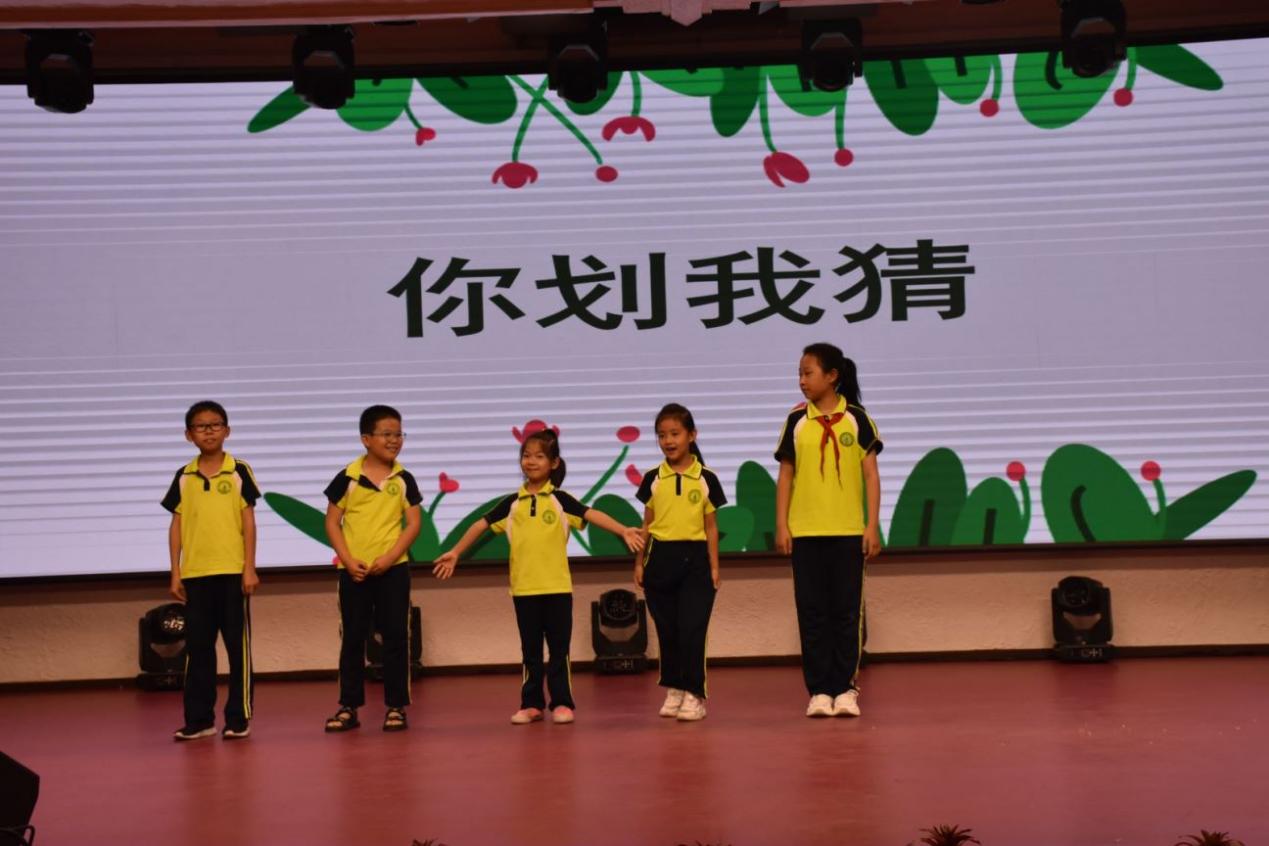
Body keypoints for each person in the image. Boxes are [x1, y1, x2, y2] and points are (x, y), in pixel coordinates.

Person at [433, 428, 644, 725]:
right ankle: (531, 704)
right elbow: (480, 525)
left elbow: (590, 514)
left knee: (559, 651)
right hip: (524, 590)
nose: (531, 461)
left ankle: (562, 703)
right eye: (526, 456)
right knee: (530, 652)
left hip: (557, 588)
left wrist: (623, 530)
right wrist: (455, 552)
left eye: (539, 456)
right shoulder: (511, 503)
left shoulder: (560, 500)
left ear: (553, 463)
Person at [774, 343, 883, 718]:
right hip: (805, 533)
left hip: (848, 532)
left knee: (846, 613)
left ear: (832, 376)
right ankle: (819, 690)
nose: (802, 381)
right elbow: (785, 475)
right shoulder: (795, 421)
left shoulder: (858, 419)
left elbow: (871, 476)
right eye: (799, 374)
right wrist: (782, 524)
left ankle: (846, 688)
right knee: (812, 613)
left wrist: (871, 526)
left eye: (808, 373)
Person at [162, 400, 261, 741]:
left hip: (232, 573)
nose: (209, 431)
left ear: (227, 431)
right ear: (188, 435)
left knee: (237, 649)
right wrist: (175, 572)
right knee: (198, 650)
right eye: (201, 427)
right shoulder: (184, 476)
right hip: (195, 575)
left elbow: (249, 521)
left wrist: (249, 568)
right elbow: (176, 525)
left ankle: (238, 717)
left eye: (215, 425)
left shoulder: (239, 470)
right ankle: (199, 719)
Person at [323, 405, 422, 733]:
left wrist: (391, 557)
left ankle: (396, 706)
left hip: (394, 571)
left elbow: (413, 523)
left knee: (395, 637)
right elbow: (332, 522)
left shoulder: (403, 478)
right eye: (387, 434)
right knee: (352, 638)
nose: (394, 440)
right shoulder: (348, 477)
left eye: (399, 434)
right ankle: (348, 706)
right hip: (354, 572)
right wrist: (348, 560)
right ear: (366, 439)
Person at [632, 404, 726, 722]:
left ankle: (695, 694)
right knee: (668, 629)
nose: (668, 441)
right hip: (659, 558)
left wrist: (714, 567)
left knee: (692, 629)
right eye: (662, 435)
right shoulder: (653, 478)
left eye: (675, 434)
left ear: (691, 435)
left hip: (696, 561)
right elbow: (647, 523)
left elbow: (711, 527)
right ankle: (674, 687)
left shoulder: (707, 478)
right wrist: (639, 562)